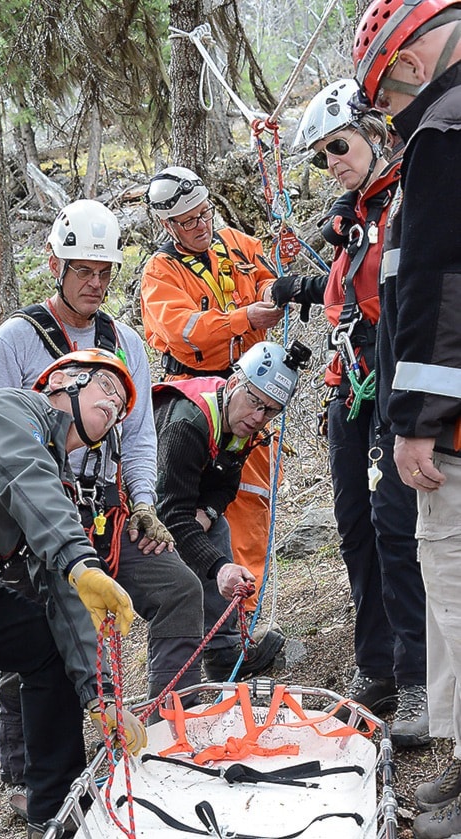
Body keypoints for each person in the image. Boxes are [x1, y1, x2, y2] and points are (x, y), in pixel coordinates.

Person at [0, 199, 204, 807]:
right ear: (56, 263)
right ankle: (30, 775)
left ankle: (164, 726)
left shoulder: (123, 340)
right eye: (83, 270)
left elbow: (139, 435)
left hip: (107, 513)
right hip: (34, 519)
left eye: (104, 272)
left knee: (180, 590)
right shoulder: (16, 342)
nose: (96, 284)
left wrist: (147, 504)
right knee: (37, 634)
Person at [0, 350, 147, 839]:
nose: (116, 405)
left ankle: (55, 812)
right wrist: (77, 557)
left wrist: (102, 696)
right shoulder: (10, 407)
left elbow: (67, 596)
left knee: (45, 646)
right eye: (107, 389)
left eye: (122, 406)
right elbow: (22, 472)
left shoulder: (57, 480)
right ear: (64, 380)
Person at [271, 78, 428, 748]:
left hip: (390, 376)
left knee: (396, 529)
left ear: (374, 132)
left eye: (339, 145)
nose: (332, 160)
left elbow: (401, 299)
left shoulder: (410, 200)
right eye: (323, 155)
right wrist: (299, 287)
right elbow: (347, 291)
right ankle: (377, 667)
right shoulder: (357, 214)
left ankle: (419, 676)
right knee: (357, 527)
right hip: (350, 385)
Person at [353, 0, 461, 836]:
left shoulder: (445, 133)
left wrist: (417, 418)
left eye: (385, 96)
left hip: (450, 429)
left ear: (411, 62)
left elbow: (434, 285)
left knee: (455, 590)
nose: (390, 114)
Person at [140, 165, 287, 661]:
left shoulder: (237, 245)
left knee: (248, 499)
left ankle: (238, 625)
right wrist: (246, 317)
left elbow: (269, 279)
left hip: (255, 390)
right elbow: (188, 330)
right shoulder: (161, 274)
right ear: (168, 226)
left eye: (203, 214)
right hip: (201, 391)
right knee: (190, 512)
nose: (200, 225)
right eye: (186, 221)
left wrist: (271, 295)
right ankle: (214, 633)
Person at [152, 341, 309, 680]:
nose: (257, 418)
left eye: (270, 411)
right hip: (135, 507)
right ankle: (175, 675)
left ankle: (223, 652)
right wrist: (219, 567)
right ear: (236, 382)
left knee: (218, 528)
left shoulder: (242, 424)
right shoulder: (187, 423)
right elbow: (170, 514)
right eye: (254, 402)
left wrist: (206, 514)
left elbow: (225, 484)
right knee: (182, 584)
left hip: (181, 503)